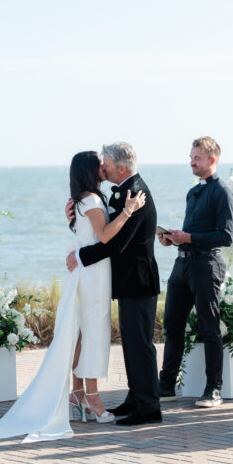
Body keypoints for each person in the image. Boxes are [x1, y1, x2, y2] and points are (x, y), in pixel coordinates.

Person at [0, 150, 145, 445]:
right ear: (88, 169)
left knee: (82, 333)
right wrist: (128, 211)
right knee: (93, 332)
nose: (102, 166)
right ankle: (93, 399)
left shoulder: (82, 200)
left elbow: (87, 233)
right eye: (98, 163)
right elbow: (106, 236)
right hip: (94, 273)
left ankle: (79, 393)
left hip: (87, 271)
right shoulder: (93, 200)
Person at [66, 142, 162, 426]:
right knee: (131, 345)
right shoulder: (119, 192)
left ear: (121, 168)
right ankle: (136, 399)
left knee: (141, 345)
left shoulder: (136, 193)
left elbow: (115, 243)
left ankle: (149, 408)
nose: (103, 167)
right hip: (127, 281)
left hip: (139, 281)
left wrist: (81, 255)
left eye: (105, 162)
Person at [158, 136, 233, 408]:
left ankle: (213, 389)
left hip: (206, 265)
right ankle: (166, 386)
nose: (192, 161)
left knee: (209, 327)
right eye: (191, 157)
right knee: (171, 325)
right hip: (183, 264)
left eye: (197, 157)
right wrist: (173, 239)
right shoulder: (193, 192)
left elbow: (226, 237)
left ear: (212, 159)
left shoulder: (222, 192)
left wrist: (188, 237)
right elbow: (192, 233)